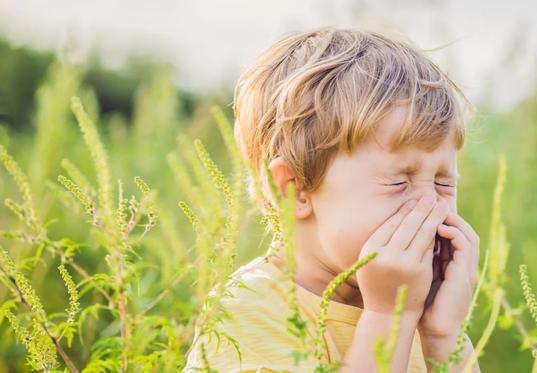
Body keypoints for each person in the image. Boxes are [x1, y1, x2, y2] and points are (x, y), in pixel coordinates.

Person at [183, 25, 481, 373]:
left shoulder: (417, 313)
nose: (433, 209)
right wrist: (388, 318)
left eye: (445, 185)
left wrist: (444, 334)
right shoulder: (250, 310)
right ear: (293, 188)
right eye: (399, 182)